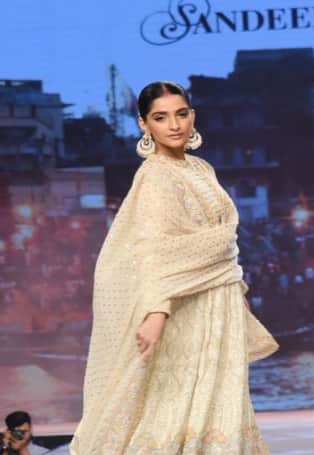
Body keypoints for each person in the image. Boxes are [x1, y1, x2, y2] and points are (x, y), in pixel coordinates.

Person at [69, 81, 279, 453]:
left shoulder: (201, 168)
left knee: (221, 404)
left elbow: (222, 239)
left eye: (181, 114)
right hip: (183, 306)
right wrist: (157, 310)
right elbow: (154, 249)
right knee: (176, 405)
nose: (174, 125)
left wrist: (237, 289)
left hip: (219, 300)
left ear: (192, 116)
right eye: (161, 117)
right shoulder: (155, 176)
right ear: (144, 124)